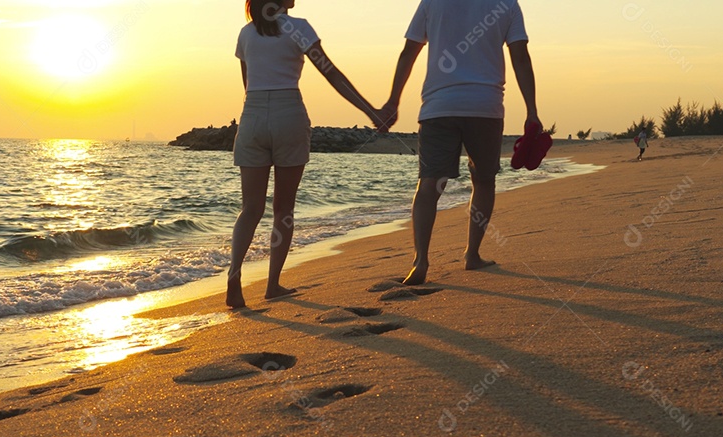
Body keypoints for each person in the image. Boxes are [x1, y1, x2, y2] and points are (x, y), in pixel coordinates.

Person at [227, 0, 384, 308]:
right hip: (289, 115)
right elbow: (332, 74)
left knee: (250, 208)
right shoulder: (298, 28)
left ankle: (234, 276)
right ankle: (272, 285)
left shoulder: (245, 34)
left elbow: (248, 86)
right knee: (283, 209)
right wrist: (370, 110)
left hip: (253, 117)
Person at [378, 0, 541, 285]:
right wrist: (531, 110)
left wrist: (393, 100)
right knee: (483, 180)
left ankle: (420, 261)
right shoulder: (507, 4)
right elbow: (521, 57)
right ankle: (472, 255)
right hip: (485, 105)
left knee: (429, 183)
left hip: (438, 106)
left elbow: (409, 52)